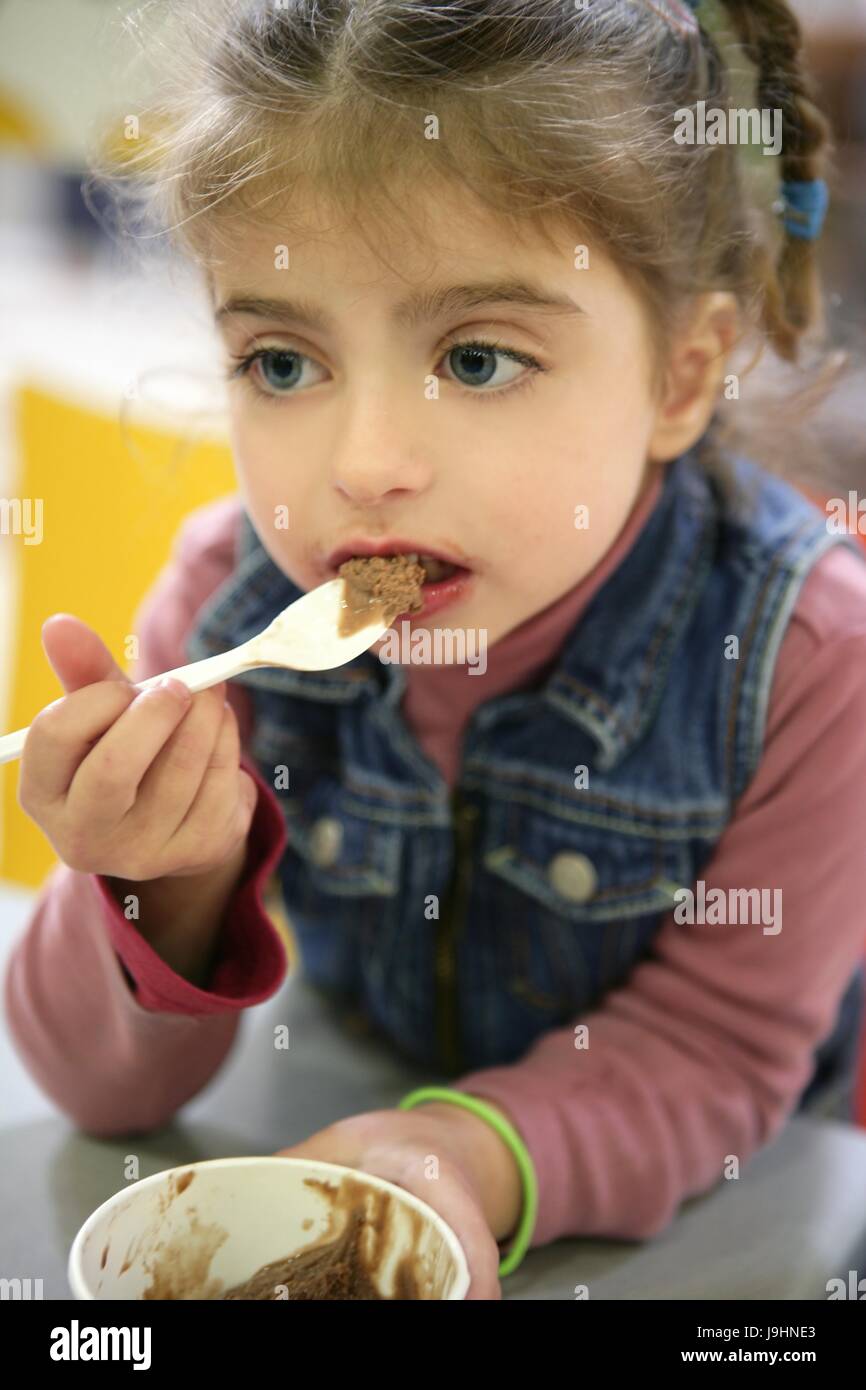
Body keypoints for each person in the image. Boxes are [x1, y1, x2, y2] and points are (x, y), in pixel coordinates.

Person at [6, 0, 866, 1300]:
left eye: (475, 357)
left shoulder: (809, 658)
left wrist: (460, 1155)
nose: (362, 468)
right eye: (283, 363)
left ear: (681, 375)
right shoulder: (228, 607)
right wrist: (150, 885)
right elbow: (105, 1102)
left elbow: (712, 1050)